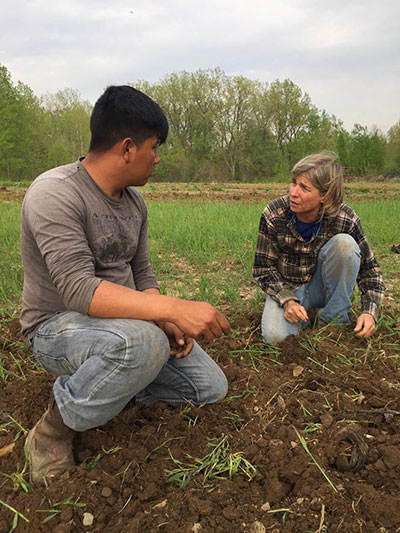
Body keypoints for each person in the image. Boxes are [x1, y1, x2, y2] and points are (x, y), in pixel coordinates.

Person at [20, 85, 230, 486]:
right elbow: (79, 290)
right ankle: (52, 432)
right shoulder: (55, 192)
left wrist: (166, 321)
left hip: (125, 327)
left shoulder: (134, 203)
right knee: (141, 343)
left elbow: (143, 276)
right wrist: (171, 310)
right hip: (57, 327)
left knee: (208, 387)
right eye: (155, 148)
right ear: (128, 147)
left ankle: (113, 384)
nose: (157, 159)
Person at [253, 151, 385, 345]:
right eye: (293, 183)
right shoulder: (274, 214)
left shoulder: (346, 219)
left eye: (304, 188)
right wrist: (287, 300)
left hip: (322, 288)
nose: (293, 192)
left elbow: (370, 271)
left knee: (345, 245)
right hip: (288, 288)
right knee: (275, 338)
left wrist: (369, 312)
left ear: (325, 196)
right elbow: (263, 268)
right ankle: (304, 315)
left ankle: (333, 322)